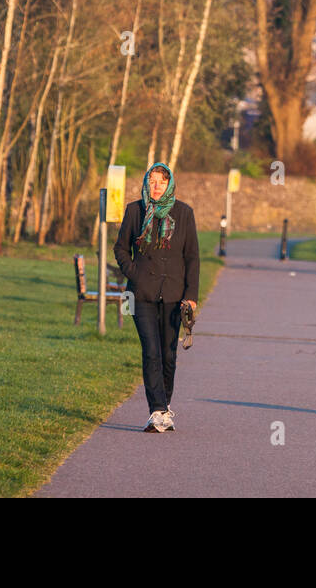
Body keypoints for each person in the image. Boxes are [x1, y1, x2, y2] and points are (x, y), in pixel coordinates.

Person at [113, 161, 199, 433]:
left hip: (174, 295)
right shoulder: (134, 211)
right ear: (146, 183)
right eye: (153, 181)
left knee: (168, 354)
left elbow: (192, 257)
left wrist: (191, 295)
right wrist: (135, 273)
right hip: (141, 294)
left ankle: (164, 408)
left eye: (162, 181)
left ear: (170, 183)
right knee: (151, 351)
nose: (157, 186)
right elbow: (120, 248)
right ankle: (158, 411)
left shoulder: (184, 213)